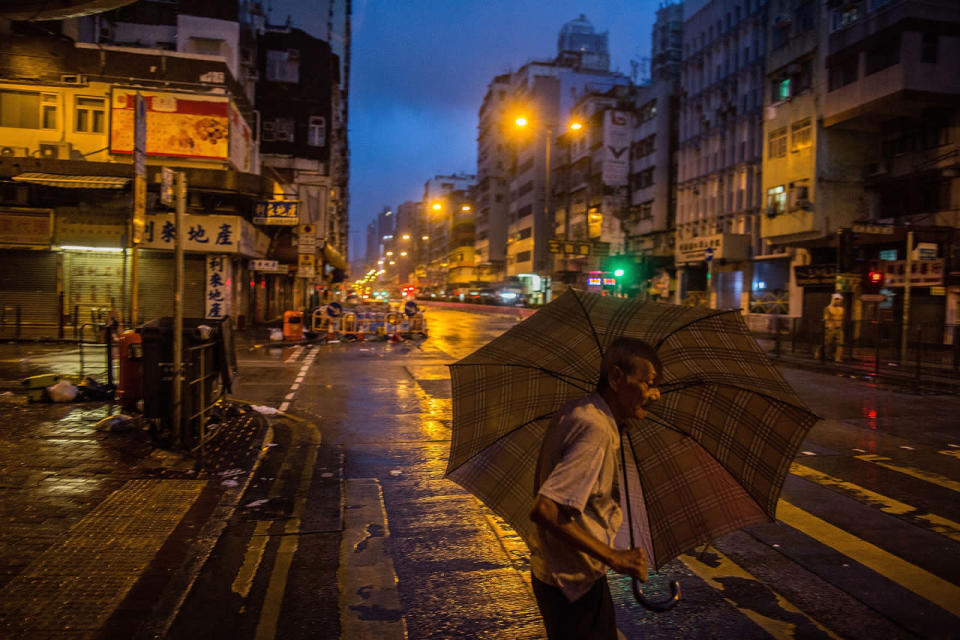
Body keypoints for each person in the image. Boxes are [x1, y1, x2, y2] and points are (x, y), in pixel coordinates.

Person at [529, 337, 662, 639]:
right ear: (617, 378)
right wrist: (613, 557)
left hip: (562, 576)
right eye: (648, 383)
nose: (656, 395)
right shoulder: (596, 429)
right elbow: (545, 509)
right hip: (571, 586)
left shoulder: (583, 411)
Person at [817, 293, 845, 362]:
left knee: (840, 343)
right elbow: (826, 318)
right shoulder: (828, 308)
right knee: (827, 343)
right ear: (833, 300)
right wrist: (828, 326)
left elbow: (842, 318)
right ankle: (819, 353)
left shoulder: (842, 309)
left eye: (839, 300)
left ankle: (838, 358)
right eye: (836, 300)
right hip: (830, 329)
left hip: (839, 328)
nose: (838, 301)